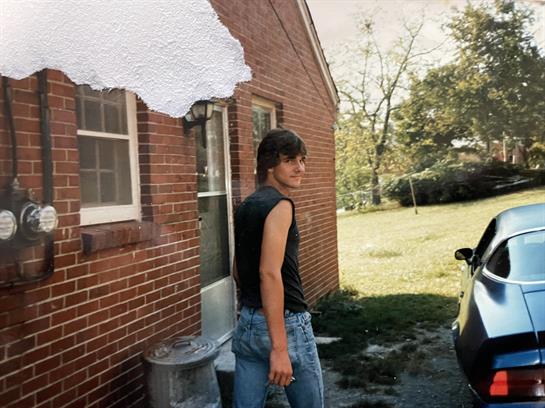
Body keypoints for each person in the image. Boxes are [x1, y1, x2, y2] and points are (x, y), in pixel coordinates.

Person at [232, 128, 324, 408]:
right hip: (286, 326)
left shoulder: (248, 205)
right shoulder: (281, 206)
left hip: (248, 323)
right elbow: (268, 273)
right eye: (290, 160)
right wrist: (280, 348)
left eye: (302, 160)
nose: (300, 168)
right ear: (270, 165)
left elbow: (237, 269)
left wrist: (253, 310)